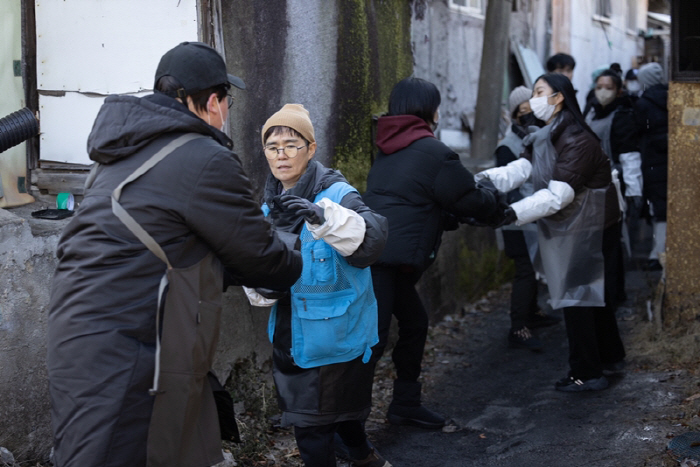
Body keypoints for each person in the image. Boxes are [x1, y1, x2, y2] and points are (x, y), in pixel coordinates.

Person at [46, 42, 303, 467]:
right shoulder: (204, 158)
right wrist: (294, 244)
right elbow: (267, 261)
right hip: (127, 346)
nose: (228, 111)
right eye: (227, 101)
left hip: (82, 336)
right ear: (211, 102)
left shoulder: (119, 155)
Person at [249, 104, 390, 467]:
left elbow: (372, 242)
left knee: (317, 431)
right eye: (272, 146)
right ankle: (366, 458)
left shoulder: (338, 194)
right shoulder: (269, 208)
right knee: (331, 420)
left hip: (340, 338)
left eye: (291, 145)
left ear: (311, 149)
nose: (281, 154)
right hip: (294, 341)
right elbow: (263, 292)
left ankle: (363, 456)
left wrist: (324, 217)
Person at [363, 77, 504, 429]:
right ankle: (344, 426)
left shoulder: (387, 146)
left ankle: (405, 405)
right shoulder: (434, 152)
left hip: (380, 254)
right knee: (372, 343)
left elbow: (417, 199)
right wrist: (494, 200)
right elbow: (469, 196)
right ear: (428, 110)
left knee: (414, 323)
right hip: (384, 260)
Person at [476, 73, 626, 392]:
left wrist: (510, 213)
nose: (533, 99)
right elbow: (521, 170)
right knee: (590, 296)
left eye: (540, 92)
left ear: (558, 98)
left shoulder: (577, 140)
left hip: (592, 227)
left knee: (577, 298)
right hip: (579, 224)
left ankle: (587, 372)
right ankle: (610, 357)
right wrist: (479, 180)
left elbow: (558, 195)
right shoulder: (547, 134)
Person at [495, 86, 560, 352]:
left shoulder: (540, 140)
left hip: (536, 215)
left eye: (532, 111)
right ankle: (518, 327)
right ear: (513, 115)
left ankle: (532, 313)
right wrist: (520, 215)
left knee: (534, 267)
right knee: (525, 270)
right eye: (522, 113)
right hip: (517, 220)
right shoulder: (508, 147)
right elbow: (507, 191)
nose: (529, 117)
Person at [584, 69, 643, 299]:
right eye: (599, 86)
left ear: (619, 91)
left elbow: (630, 156)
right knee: (605, 243)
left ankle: (612, 294)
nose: (602, 92)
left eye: (608, 87)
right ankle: (611, 293)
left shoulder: (622, 116)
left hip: (613, 185)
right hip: (592, 185)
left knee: (610, 243)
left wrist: (634, 190)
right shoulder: (590, 112)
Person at [634, 62, 668, 271]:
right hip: (672, 159)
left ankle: (657, 253)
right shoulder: (673, 97)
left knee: (659, 208)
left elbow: (638, 130)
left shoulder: (643, 103)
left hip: (653, 161)